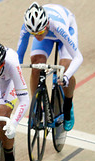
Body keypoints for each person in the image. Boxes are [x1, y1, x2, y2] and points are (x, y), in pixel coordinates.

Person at [16, 2, 83, 131]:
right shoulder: (28, 27)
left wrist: (67, 76)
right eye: (33, 33)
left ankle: (68, 105)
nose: (37, 36)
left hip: (66, 30)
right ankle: (36, 105)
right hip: (48, 33)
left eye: (40, 32)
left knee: (65, 67)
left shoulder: (58, 27)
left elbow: (78, 57)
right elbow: (19, 57)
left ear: (45, 25)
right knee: (36, 63)